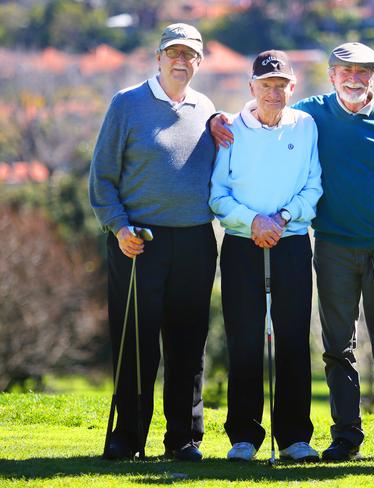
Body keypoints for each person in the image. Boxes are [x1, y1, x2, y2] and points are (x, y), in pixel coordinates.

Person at [211, 41, 374, 465]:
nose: (354, 78)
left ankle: (366, 436)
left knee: (353, 344)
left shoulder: (343, 121)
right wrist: (213, 121)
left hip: (341, 242)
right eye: (346, 71)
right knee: (293, 344)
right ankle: (298, 436)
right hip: (289, 245)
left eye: (364, 72)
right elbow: (222, 183)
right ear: (331, 75)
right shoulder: (269, 122)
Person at [89, 23, 217, 462]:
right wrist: (118, 227)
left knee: (187, 344)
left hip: (196, 240)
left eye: (190, 55)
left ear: (199, 62)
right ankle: (128, 438)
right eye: (173, 53)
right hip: (137, 241)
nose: (181, 61)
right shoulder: (126, 104)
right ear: (158, 57)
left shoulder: (206, 108)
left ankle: (183, 438)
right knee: (136, 345)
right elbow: (102, 177)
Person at [209, 50, 322, 462]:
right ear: (251, 87)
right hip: (242, 244)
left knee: (293, 339)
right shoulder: (230, 130)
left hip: (291, 242)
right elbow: (217, 195)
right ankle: (244, 436)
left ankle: (294, 437)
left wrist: (282, 217)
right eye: (266, 84)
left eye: (281, 85)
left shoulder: (305, 125)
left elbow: (313, 186)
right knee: (245, 340)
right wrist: (253, 221)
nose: (273, 92)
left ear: (292, 87)